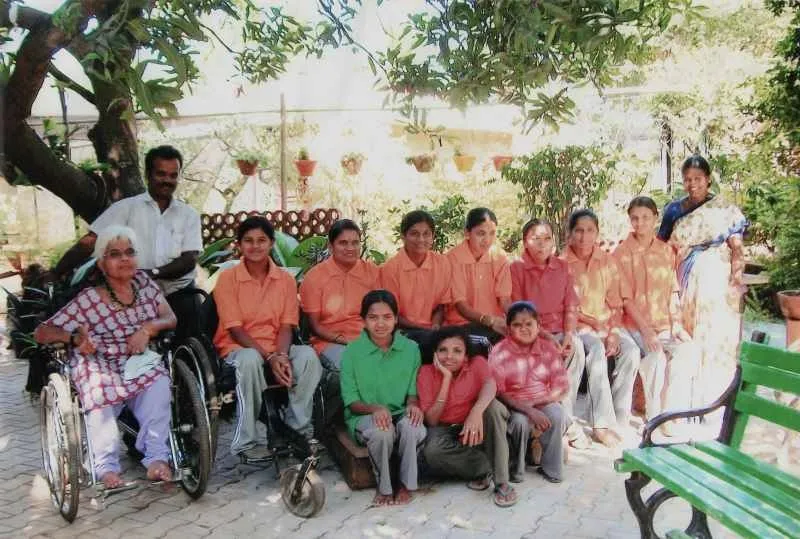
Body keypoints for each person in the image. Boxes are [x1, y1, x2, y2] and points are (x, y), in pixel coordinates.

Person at [35, 225, 176, 489]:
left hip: (136, 358)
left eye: (130, 252)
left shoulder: (145, 285)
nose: (125, 259)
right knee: (98, 392)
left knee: (159, 384)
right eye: (115, 254)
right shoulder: (88, 299)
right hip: (97, 361)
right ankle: (106, 467)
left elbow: (170, 317)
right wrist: (75, 339)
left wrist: (148, 329)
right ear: (101, 263)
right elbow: (41, 332)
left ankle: (157, 458)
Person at [53, 145, 202, 340]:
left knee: (191, 350)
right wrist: (56, 272)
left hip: (178, 295)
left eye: (173, 175)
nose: (167, 180)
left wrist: (151, 274)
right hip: (134, 299)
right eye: (161, 174)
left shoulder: (188, 214)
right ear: (148, 174)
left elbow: (189, 259)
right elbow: (90, 241)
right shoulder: (126, 208)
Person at [213, 216, 322, 463]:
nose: (255, 246)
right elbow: (235, 329)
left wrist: (281, 355)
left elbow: (287, 325)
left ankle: (298, 430)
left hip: (277, 347)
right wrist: (270, 357)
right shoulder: (228, 279)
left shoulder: (284, 280)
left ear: (272, 243)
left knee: (308, 357)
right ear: (239, 245)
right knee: (250, 360)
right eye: (248, 241)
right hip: (239, 348)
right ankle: (246, 442)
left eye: (262, 240)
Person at [657, 155, 747, 406]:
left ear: (708, 180)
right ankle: (686, 398)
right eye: (687, 180)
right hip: (684, 278)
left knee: (715, 336)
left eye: (698, 179)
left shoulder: (725, 210)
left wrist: (736, 279)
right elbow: (662, 247)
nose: (693, 184)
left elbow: (737, 248)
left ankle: (714, 394)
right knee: (689, 335)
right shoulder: (674, 210)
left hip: (717, 280)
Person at [614, 197, 697, 433]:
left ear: (655, 219)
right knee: (656, 358)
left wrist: (678, 325)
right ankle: (654, 416)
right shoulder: (622, 253)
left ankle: (671, 413)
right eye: (635, 218)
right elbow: (626, 300)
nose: (640, 223)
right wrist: (647, 331)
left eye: (646, 218)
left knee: (688, 351)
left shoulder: (664, 250)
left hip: (663, 324)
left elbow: (672, 292)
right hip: (633, 325)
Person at [340, 290, 427, 506]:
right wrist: (375, 409)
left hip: (399, 413)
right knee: (382, 432)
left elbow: (412, 393)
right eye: (373, 317)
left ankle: (406, 485)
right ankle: (385, 487)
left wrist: (413, 406)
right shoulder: (352, 352)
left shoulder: (411, 349)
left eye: (387, 317)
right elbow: (351, 402)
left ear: (396, 319)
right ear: (363, 321)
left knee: (412, 426)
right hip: (364, 415)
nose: (381, 324)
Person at [563, 209, 640, 446]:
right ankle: (601, 425)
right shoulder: (561, 263)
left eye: (590, 231)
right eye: (579, 231)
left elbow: (616, 304)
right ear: (570, 233)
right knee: (595, 349)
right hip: (577, 325)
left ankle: (618, 417)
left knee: (631, 351)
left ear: (597, 233)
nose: (584, 237)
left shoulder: (608, 262)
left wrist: (614, 333)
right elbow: (564, 305)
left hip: (606, 324)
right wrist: (593, 323)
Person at [417, 327, 517, 507]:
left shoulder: (477, 363)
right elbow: (431, 420)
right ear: (434, 353)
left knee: (493, 407)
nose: (449, 356)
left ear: (465, 355)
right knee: (432, 451)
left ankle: (502, 483)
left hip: (475, 427)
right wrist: (446, 379)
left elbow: (490, 385)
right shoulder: (425, 372)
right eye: (443, 350)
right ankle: (492, 466)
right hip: (444, 430)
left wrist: (476, 412)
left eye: (457, 351)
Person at [510, 218, 585, 444]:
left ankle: (565, 419)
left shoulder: (562, 266)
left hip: (560, 331)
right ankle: (565, 426)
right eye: (535, 239)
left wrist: (569, 335)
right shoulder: (517, 268)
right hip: (531, 332)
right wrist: (545, 336)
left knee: (577, 349)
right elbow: (518, 310)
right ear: (525, 242)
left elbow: (571, 304)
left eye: (547, 239)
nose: (542, 244)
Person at [489, 301, 569, 483]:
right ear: (508, 329)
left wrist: (536, 403)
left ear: (538, 326)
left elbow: (562, 387)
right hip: (513, 405)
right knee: (519, 423)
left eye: (529, 324)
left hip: (542, 400)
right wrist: (527, 409)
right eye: (517, 325)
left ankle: (551, 470)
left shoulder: (548, 348)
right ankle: (517, 470)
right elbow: (499, 391)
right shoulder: (500, 351)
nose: (524, 329)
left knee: (557, 413)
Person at [299, 219, 380, 370]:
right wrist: (347, 341)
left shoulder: (373, 272)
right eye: (343, 243)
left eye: (355, 243)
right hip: (330, 342)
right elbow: (315, 326)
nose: (350, 248)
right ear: (331, 246)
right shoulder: (315, 277)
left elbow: (382, 313)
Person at [380, 210, 452, 360]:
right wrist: (424, 329)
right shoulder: (390, 269)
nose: (421, 239)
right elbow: (392, 315)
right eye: (414, 233)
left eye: (426, 234)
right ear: (403, 236)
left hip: (434, 329)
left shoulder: (442, 263)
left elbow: (441, 305)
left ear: (433, 237)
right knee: (428, 348)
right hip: (402, 331)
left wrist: (436, 325)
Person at [444, 208, 511, 343]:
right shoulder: (452, 258)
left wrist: (517, 319)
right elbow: (460, 305)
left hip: (496, 325)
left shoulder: (500, 257)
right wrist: (488, 320)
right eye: (481, 233)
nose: (487, 240)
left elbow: (504, 300)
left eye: (492, 233)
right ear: (467, 233)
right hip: (462, 325)